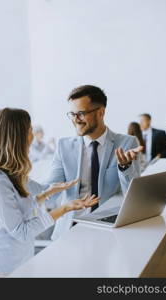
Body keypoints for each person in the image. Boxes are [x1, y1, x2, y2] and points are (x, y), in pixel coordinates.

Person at [0, 108, 99, 277]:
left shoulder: (12, 172)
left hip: (22, 262)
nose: (33, 136)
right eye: (29, 130)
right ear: (16, 137)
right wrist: (64, 209)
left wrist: (50, 191)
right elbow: (22, 231)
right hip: (2, 269)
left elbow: (28, 201)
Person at [45, 85, 143, 240]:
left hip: (108, 229)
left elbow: (134, 197)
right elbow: (50, 189)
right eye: (72, 114)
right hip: (69, 230)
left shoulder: (126, 144)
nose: (76, 120)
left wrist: (125, 167)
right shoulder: (63, 146)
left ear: (101, 112)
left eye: (81, 114)